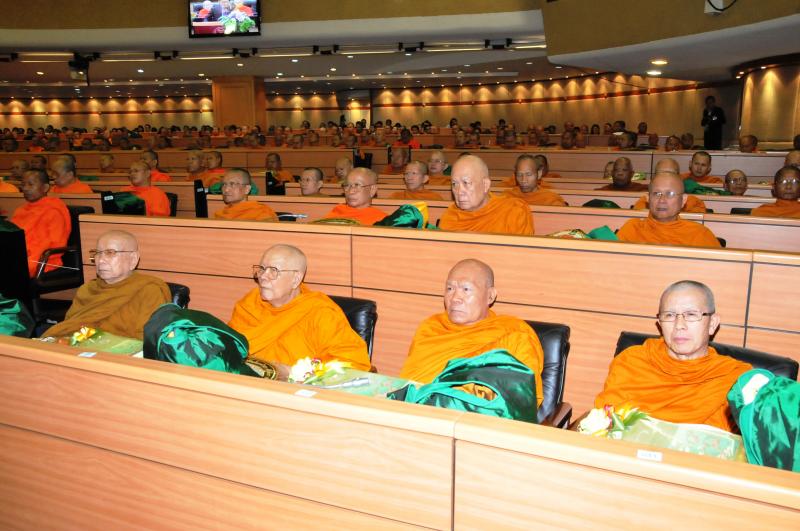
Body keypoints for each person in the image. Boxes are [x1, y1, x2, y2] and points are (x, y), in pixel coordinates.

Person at [595, 280, 750, 431]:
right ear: (660, 323)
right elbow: (605, 424)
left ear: (712, 323)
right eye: (669, 315)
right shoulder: (632, 362)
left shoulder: (735, 378)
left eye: (691, 314)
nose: (679, 325)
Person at [400, 259, 544, 404]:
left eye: (466, 289)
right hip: (410, 411)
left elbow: (521, 397)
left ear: (490, 296)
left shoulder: (514, 334)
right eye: (450, 289)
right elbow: (407, 386)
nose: (455, 298)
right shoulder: (431, 327)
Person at [228, 244, 371, 370]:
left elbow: (351, 364)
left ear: (296, 279)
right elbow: (228, 348)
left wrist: (292, 373)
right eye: (262, 269)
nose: (263, 277)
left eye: (273, 271)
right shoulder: (249, 304)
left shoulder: (320, 313)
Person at [42, 230, 171, 340]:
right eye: (97, 253)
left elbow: (147, 341)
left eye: (110, 253)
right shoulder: (87, 290)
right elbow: (67, 329)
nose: (101, 260)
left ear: (133, 259)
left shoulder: (149, 291)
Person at [617, 172, 721, 247]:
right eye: (656, 193)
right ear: (648, 199)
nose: (662, 200)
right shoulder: (632, 229)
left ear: (683, 200)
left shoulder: (699, 234)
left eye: (670, 194)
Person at [439, 155, 533, 236]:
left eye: (466, 183)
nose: (459, 191)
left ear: (485, 185)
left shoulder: (514, 211)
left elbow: (523, 251)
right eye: (454, 184)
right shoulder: (450, 217)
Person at [10, 169, 71, 277]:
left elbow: (57, 245)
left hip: (45, 260)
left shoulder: (54, 211)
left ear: (45, 188)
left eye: (30, 184)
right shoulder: (20, 210)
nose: (25, 188)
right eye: (23, 184)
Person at [321, 167, 387, 225]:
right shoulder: (338, 210)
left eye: (357, 185)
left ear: (372, 190)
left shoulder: (382, 220)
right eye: (347, 185)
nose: (351, 191)